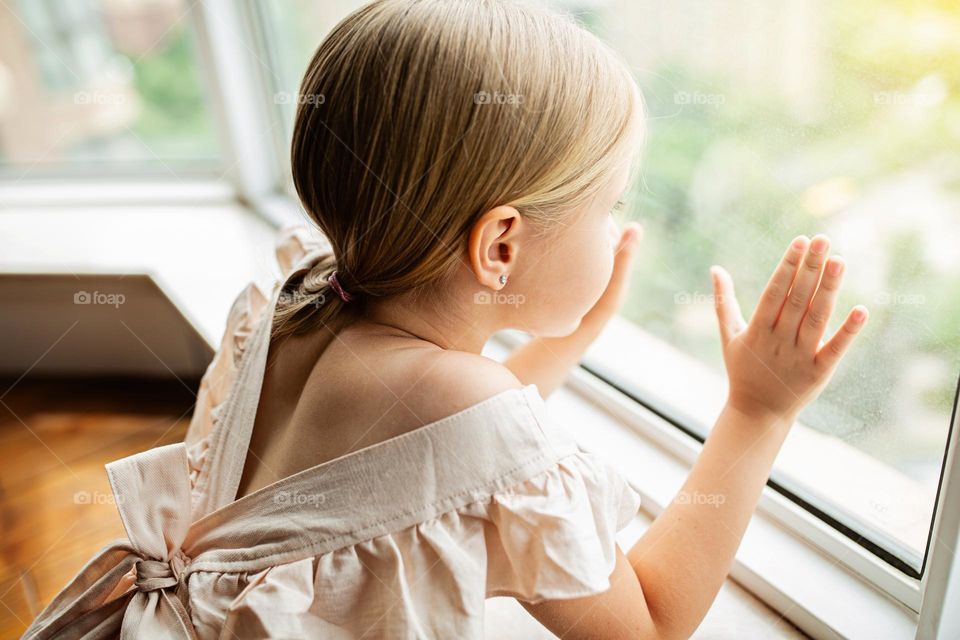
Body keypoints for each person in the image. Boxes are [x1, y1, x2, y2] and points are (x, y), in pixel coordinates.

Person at [24, 0, 867, 638]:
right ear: (499, 246)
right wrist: (758, 410)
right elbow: (645, 623)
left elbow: (425, 462)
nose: (616, 230)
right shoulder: (459, 407)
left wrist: (562, 341)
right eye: (608, 206)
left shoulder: (306, 300)